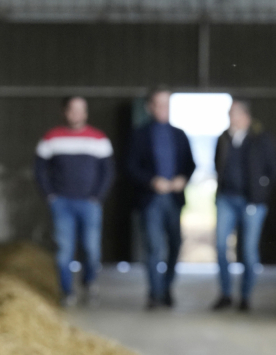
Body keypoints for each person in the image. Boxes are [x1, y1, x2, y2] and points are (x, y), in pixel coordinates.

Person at [35, 96, 114, 306]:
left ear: (86, 113)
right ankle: (67, 291)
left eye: (81, 110)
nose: (76, 114)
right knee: (64, 250)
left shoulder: (98, 139)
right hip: (62, 203)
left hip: (89, 203)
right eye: (72, 109)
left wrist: (98, 196)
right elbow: (39, 170)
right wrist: (50, 195)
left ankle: (89, 283)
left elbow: (107, 171)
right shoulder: (51, 138)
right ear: (65, 112)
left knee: (91, 249)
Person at [127, 88, 195, 309]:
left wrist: (182, 179)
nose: (163, 108)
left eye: (167, 103)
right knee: (154, 247)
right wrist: (151, 181)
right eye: (158, 104)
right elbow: (130, 167)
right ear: (150, 107)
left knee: (175, 245)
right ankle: (154, 293)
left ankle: (166, 288)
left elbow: (190, 165)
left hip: (174, 199)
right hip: (151, 199)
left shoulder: (179, 134)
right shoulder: (139, 134)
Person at [212, 99, 276, 312]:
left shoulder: (261, 139)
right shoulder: (224, 139)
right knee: (220, 246)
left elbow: (274, 171)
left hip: (252, 202)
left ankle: (245, 296)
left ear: (246, 116)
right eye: (229, 113)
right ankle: (225, 294)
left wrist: (260, 194)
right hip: (226, 199)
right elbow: (218, 166)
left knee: (248, 251)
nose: (231, 118)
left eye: (235, 113)